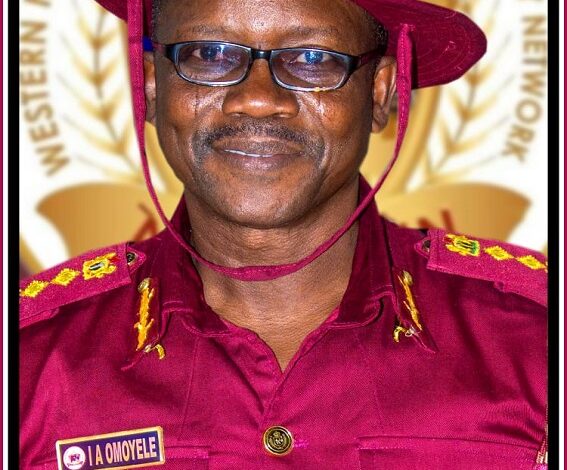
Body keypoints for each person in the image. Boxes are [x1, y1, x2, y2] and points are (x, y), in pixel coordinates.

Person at [19, 0, 548, 468]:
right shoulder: (28, 359)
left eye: (312, 59)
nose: (257, 99)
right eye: (210, 54)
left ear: (381, 92)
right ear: (152, 87)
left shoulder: (537, 341)